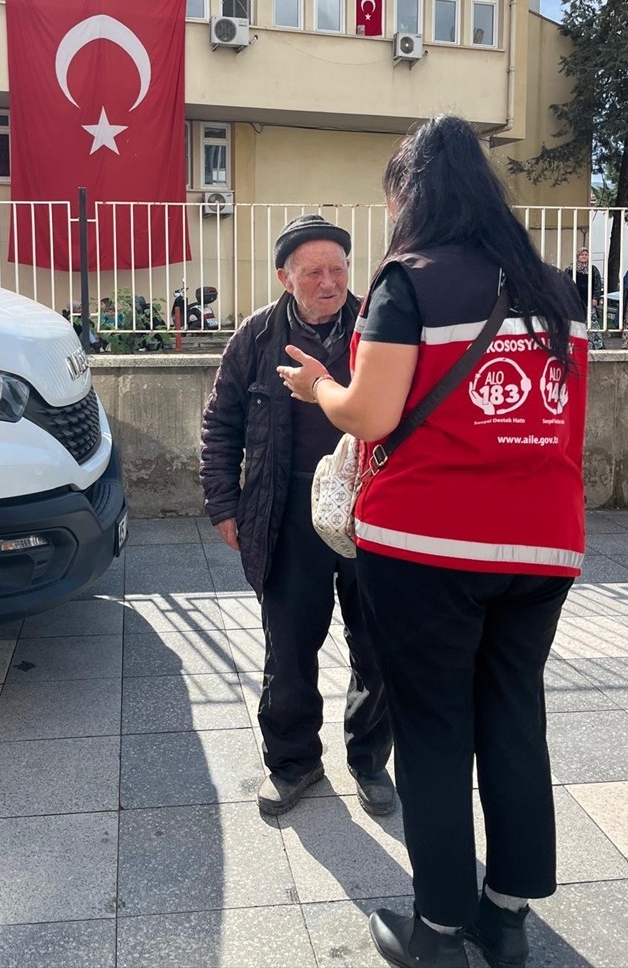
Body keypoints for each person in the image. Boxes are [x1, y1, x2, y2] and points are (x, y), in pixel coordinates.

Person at [278, 116, 588, 968]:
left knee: (435, 730)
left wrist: (321, 387)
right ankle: (508, 917)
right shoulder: (556, 288)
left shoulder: (407, 282)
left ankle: (440, 931)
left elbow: (371, 413)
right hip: (544, 546)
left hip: (429, 547)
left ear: (408, 196)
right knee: (515, 719)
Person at [200, 214, 394, 819]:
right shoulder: (255, 339)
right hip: (287, 511)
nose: (329, 282)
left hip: (372, 510)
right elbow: (220, 425)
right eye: (313, 272)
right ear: (286, 277)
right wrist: (224, 505)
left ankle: (369, 761)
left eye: (338, 269)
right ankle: (293, 761)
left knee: (378, 644)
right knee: (289, 646)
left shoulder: (381, 329)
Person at [570, 247, 604, 351]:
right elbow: (565, 283)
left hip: (588, 301)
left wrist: (595, 298)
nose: (584, 256)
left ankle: (595, 345)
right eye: (582, 255)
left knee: (591, 323)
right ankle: (577, 344)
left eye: (586, 255)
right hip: (575, 301)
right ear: (578, 256)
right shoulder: (571, 269)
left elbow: (597, 285)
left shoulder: (593, 269)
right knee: (576, 322)